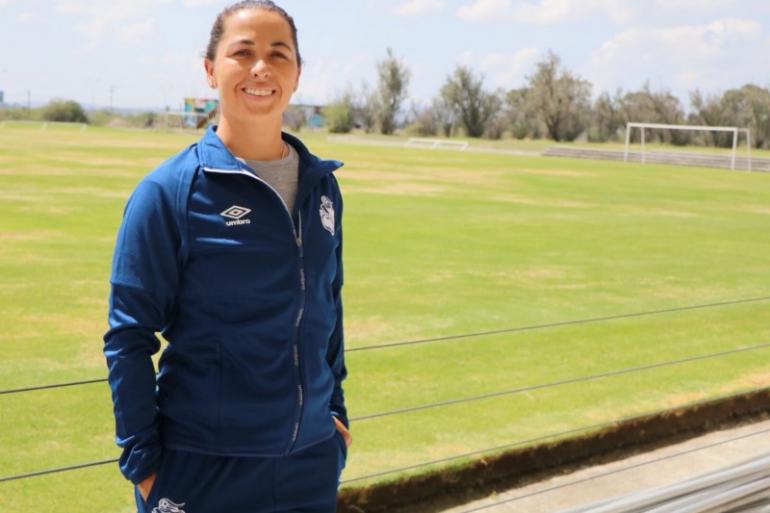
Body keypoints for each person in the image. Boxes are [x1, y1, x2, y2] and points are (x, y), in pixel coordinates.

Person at [103, 2, 351, 511]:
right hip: (200, 470)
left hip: (309, 467)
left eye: (278, 54)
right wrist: (144, 464)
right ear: (211, 69)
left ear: (296, 73)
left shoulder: (322, 187)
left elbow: (329, 311)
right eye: (243, 52)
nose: (261, 67)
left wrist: (335, 420)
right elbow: (127, 337)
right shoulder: (167, 191)